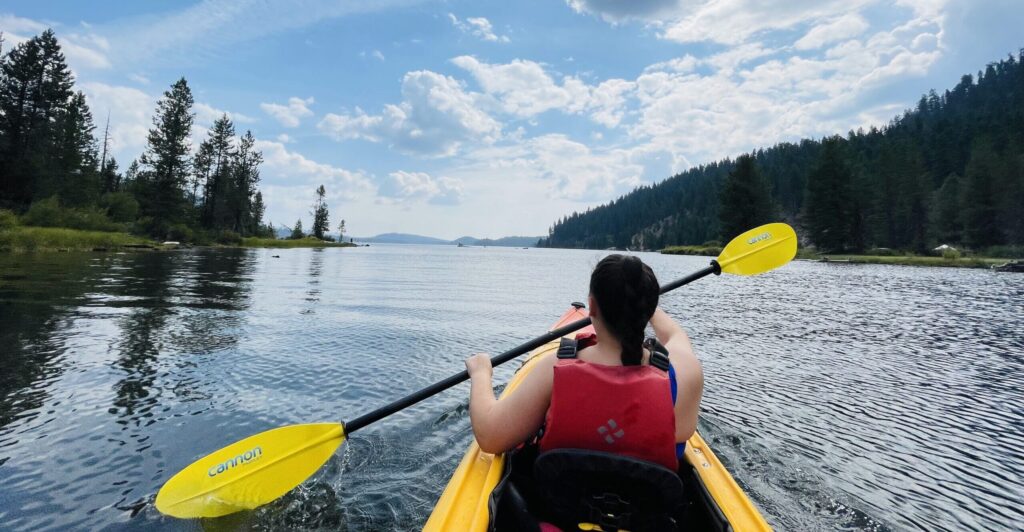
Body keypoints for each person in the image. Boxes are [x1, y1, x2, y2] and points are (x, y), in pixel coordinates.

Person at [465, 254, 704, 466]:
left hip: (560, 513)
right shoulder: (684, 373)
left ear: (591, 306)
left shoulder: (553, 369)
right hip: (648, 516)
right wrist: (641, 304)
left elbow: (490, 437)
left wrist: (481, 373)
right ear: (648, 307)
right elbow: (675, 335)